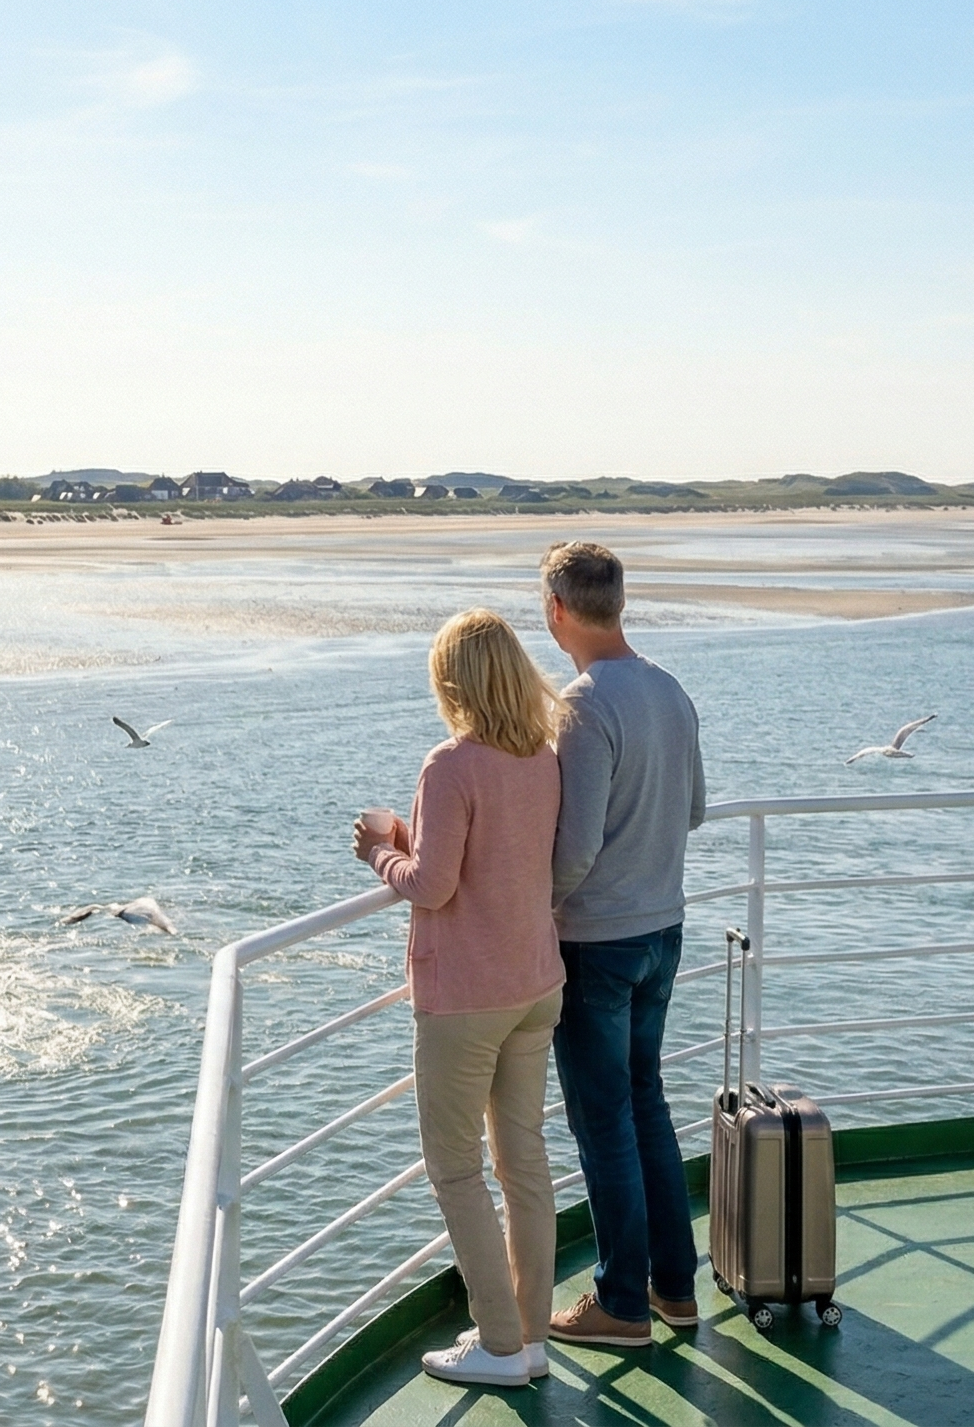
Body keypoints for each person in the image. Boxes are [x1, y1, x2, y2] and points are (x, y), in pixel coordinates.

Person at [353, 608, 567, 1387]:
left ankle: (500, 1345)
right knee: (524, 1162)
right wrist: (413, 845)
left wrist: (379, 853)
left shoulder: (449, 765)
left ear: (452, 682)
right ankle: (530, 1336)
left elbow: (434, 885)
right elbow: (498, 861)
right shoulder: (542, 756)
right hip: (535, 983)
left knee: (455, 1170)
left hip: (468, 998)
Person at [536, 541, 707, 1348]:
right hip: (663, 930)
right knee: (647, 1106)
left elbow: (573, 851)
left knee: (604, 1123)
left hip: (598, 943)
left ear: (556, 609)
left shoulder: (583, 704)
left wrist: (533, 909)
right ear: (620, 602)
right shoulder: (669, 689)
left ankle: (620, 1305)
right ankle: (674, 1288)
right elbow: (694, 810)